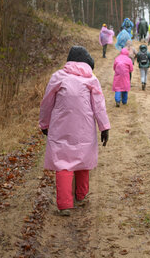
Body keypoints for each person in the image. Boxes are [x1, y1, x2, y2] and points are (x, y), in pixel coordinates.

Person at [39, 46, 110, 216]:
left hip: (60, 128)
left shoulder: (58, 77)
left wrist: (44, 123)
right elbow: (99, 106)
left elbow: (47, 102)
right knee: (82, 159)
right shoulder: (91, 79)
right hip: (84, 129)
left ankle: (64, 205)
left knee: (63, 164)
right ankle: (81, 196)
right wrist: (104, 127)